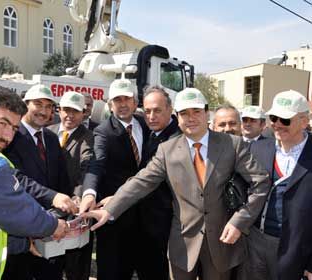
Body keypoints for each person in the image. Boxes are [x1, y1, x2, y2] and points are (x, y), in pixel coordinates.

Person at [82, 87, 270, 280]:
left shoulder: (232, 144)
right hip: (183, 244)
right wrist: (110, 209)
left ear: (207, 113)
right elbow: (140, 182)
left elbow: (260, 182)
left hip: (222, 241)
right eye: (184, 113)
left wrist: (239, 221)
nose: (191, 118)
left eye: (196, 111)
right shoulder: (167, 150)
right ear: (177, 117)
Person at [0, 86, 77, 279]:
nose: (8, 136)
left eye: (14, 128)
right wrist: (54, 225)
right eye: (2, 123)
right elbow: (15, 207)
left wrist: (24, 244)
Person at [81, 78, 150, 280]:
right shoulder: (103, 131)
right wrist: (89, 192)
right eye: (117, 100)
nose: (122, 104)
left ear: (135, 102)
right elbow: (97, 163)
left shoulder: (145, 125)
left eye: (126, 99)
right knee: (112, 270)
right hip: (114, 217)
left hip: (144, 215)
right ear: (110, 105)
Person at [241, 90, 312, 280]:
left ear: (304, 121)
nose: (277, 124)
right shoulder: (258, 149)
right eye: (273, 118)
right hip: (255, 242)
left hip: (294, 250)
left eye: (285, 120)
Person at [3, 84, 71, 280]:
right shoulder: (11, 136)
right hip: (21, 227)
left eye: (49, 106)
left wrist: (70, 198)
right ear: (25, 105)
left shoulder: (50, 137)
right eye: (38, 104)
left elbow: (60, 176)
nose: (43, 110)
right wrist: (53, 196)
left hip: (52, 226)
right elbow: (16, 178)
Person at [48, 91, 94, 280]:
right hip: (48, 205)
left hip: (74, 208)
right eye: (66, 110)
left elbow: (87, 164)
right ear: (59, 110)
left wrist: (78, 194)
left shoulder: (88, 136)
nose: (70, 115)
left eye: (75, 111)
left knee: (75, 265)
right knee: (50, 263)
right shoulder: (48, 132)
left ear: (83, 113)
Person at [136, 86, 180, 280]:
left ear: (170, 109)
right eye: (147, 111)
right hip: (145, 225)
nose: (151, 116)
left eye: (157, 110)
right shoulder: (148, 132)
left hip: (165, 227)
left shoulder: (177, 139)